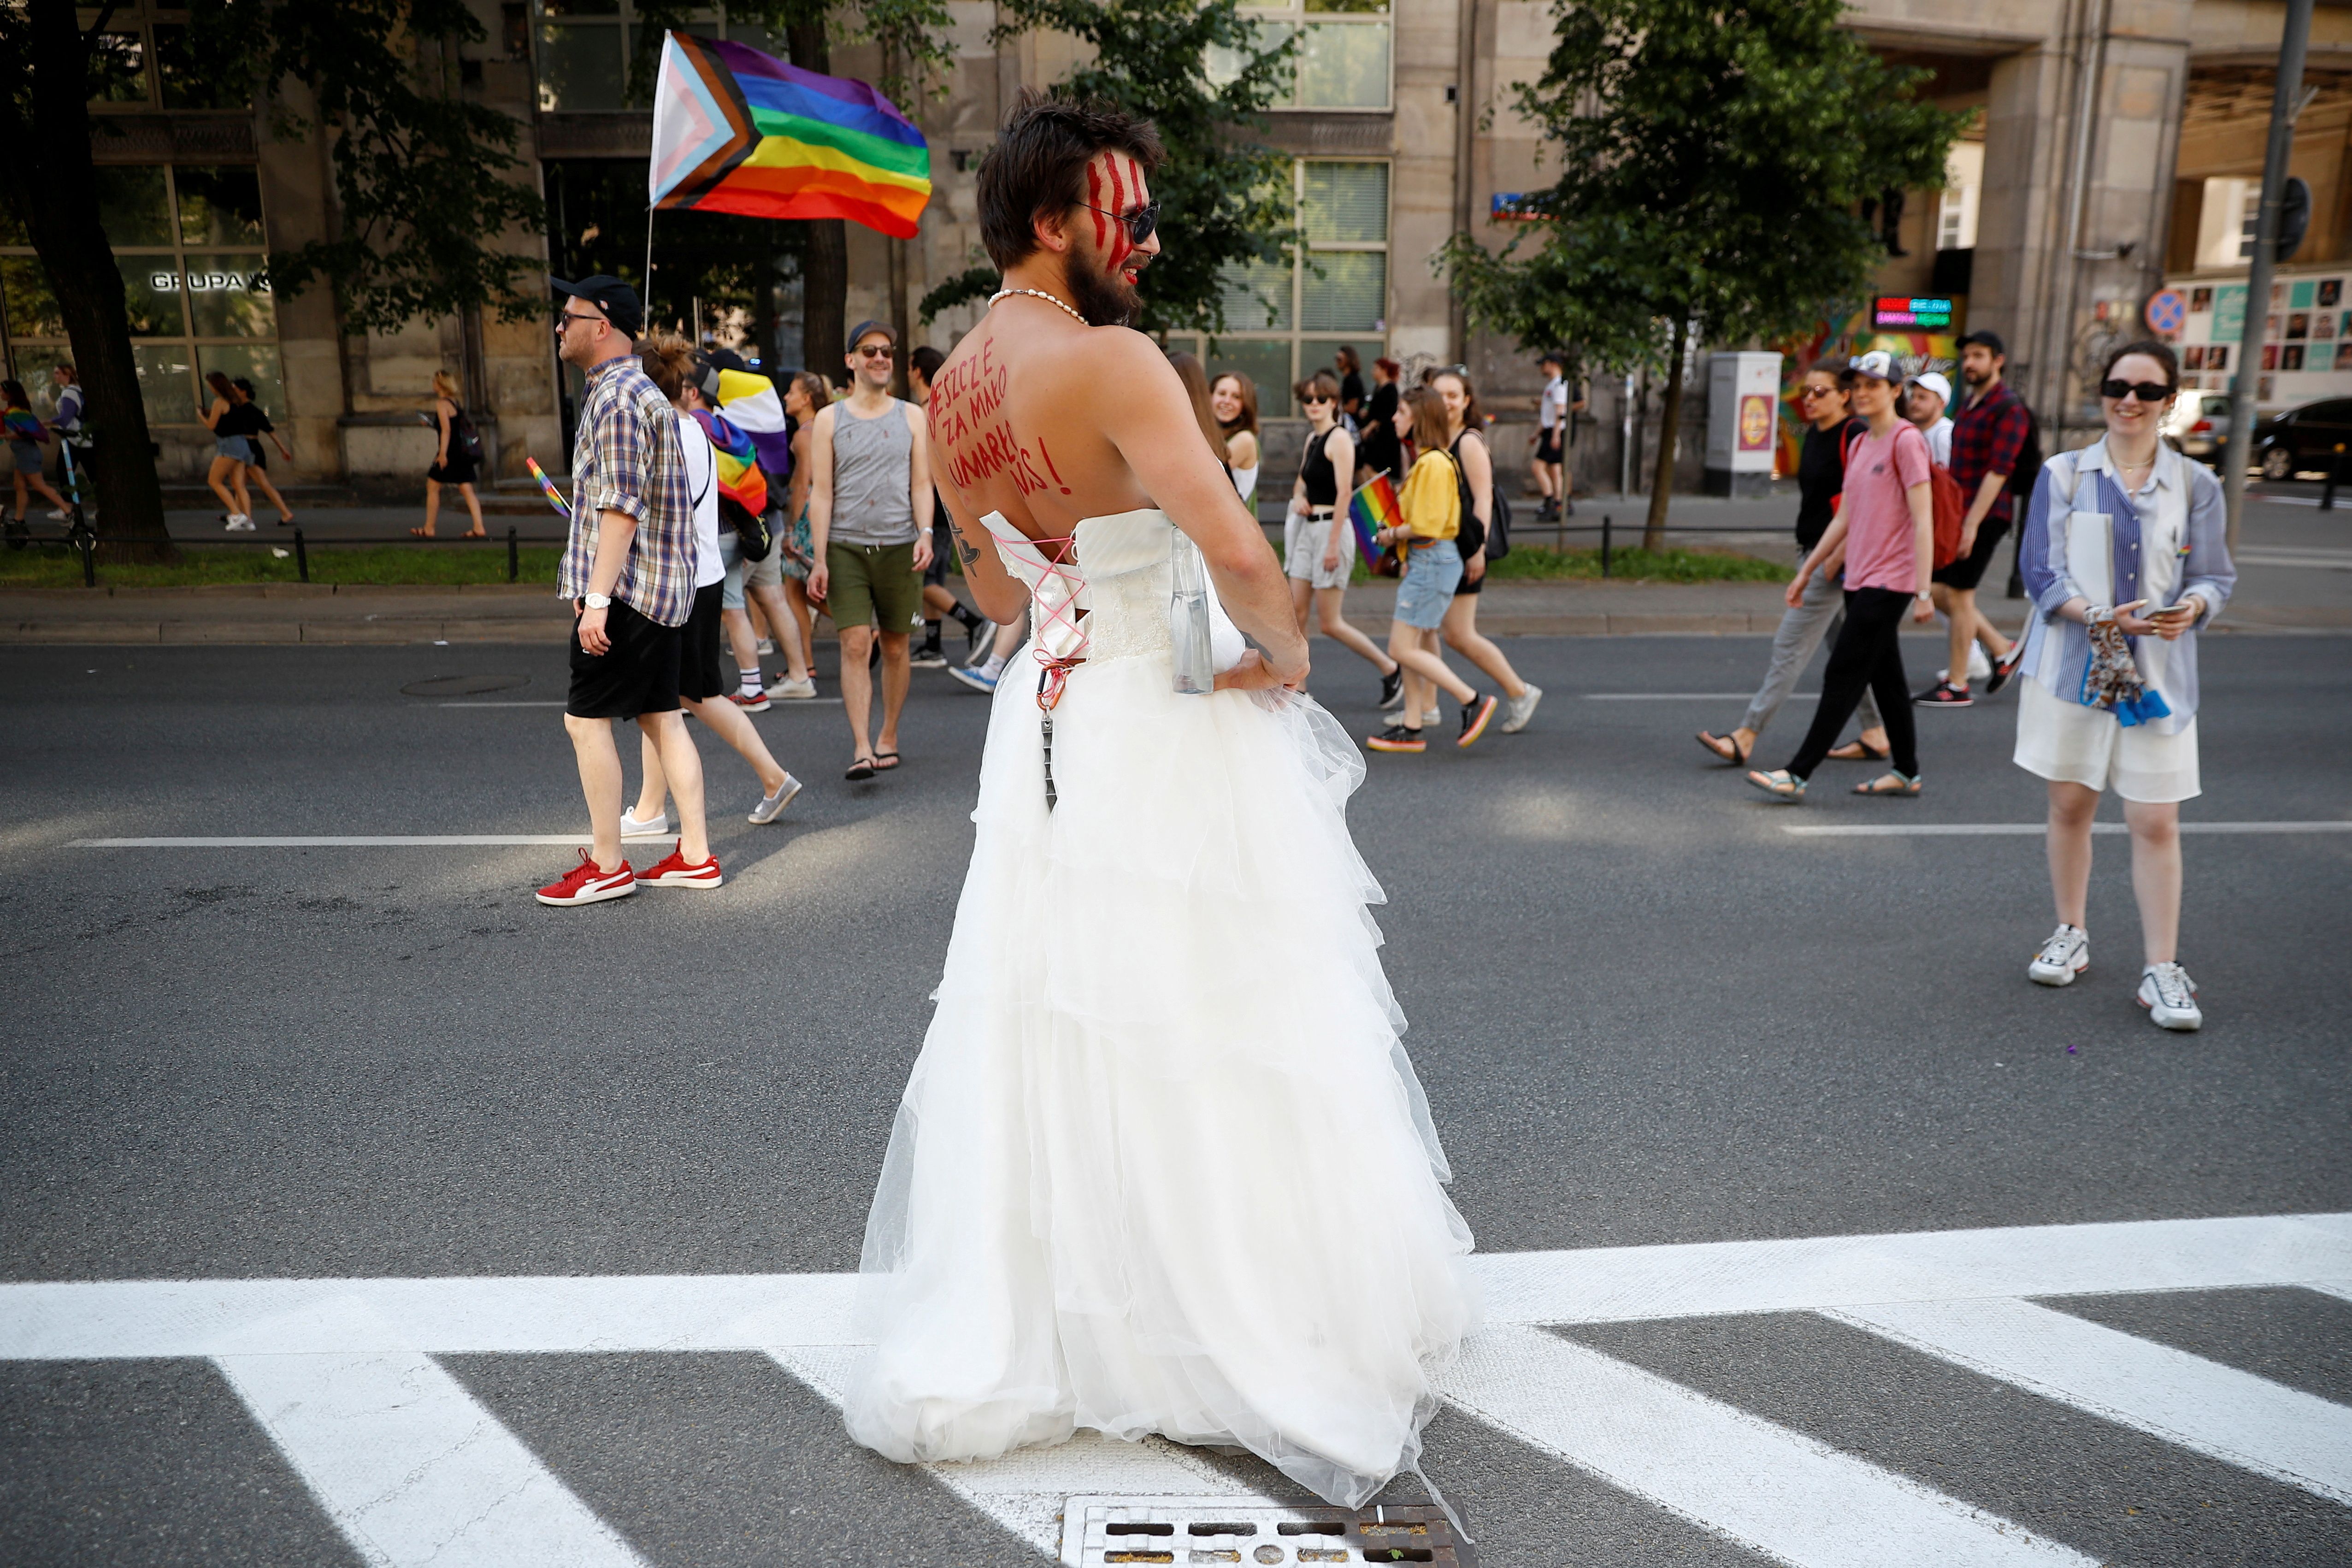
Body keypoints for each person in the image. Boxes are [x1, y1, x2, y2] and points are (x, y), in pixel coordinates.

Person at [844, 90, 1476, 1528]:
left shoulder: (950, 392)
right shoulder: (1114, 355)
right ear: (1062, 220)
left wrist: (1081, 589)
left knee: (1057, 1010)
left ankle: (1077, 1320)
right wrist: (1297, 649)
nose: (1149, 234)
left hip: (1049, 718)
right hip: (1167, 704)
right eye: (1129, 210)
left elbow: (998, 597)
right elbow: (1234, 539)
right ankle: (1227, 1318)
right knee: (1214, 1004)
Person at [2014, 340, 2234, 1031]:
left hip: (2157, 678)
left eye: (2146, 389)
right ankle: (2068, 929)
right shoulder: (2063, 474)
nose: (2128, 399)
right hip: (2073, 667)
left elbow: (2214, 577)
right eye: (2117, 385)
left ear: (2169, 401)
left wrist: (2191, 609)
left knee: (2154, 819)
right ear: (2101, 392)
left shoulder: (2197, 485)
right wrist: (2103, 617)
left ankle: (2161, 969)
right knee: (2070, 805)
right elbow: (2041, 574)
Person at [535, 273, 721, 907]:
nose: (560, 327)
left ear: (603, 324)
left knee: (585, 723)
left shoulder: (614, 397)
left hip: (628, 594)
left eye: (569, 316)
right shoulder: (638, 391)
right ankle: (694, 855)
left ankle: (609, 864)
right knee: (662, 717)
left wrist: (595, 599)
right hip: (662, 588)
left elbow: (619, 509)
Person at [618, 333, 804, 833]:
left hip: (670, 584)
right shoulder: (694, 427)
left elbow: (644, 516)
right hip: (702, 575)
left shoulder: (655, 433)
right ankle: (654, 806)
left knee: (674, 698)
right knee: (682, 695)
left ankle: (762, 779)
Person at [1746, 349, 1933, 802]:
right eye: (1859, 385)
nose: (1864, 393)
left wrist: (1924, 592)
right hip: (1860, 577)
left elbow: (1923, 520)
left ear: (1895, 391)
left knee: (1843, 673)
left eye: (1874, 385)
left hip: (1891, 582)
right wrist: (1806, 572)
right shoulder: (1859, 443)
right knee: (1888, 679)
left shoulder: (1906, 441)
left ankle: (1797, 773)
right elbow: (1843, 520)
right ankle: (1907, 772)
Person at [1697, 360, 1891, 767]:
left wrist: (1834, 556)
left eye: (1820, 392)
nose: (1809, 399)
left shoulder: (1854, 434)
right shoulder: (1816, 435)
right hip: (1815, 553)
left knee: (1789, 645)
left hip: (1836, 560)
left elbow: (1865, 503)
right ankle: (1876, 732)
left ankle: (1746, 735)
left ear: (1843, 397)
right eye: (1806, 392)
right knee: (1846, 647)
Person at [807, 319, 934, 779]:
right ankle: (862, 746)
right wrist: (819, 558)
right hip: (845, 547)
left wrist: (926, 533)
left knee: (897, 647)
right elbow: (821, 494)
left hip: (902, 544)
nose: (880, 358)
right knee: (856, 643)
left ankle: (889, 734)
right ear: (851, 361)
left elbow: (922, 483)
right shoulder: (829, 419)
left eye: (887, 351)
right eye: (869, 351)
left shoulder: (911, 416)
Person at [1365, 387, 1501, 753]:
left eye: (1401, 411)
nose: (1394, 418)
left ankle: (1471, 700)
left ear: (1418, 418)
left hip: (1432, 560)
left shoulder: (1432, 463)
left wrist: (1389, 537)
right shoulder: (1431, 459)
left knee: (1400, 647)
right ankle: (1412, 725)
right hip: (1428, 561)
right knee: (1410, 646)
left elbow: (1426, 523)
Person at [685, 365, 816, 709]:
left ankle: (751, 688)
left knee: (731, 611)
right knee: (774, 600)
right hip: (761, 529)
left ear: (693, 391)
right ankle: (800, 676)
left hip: (723, 535)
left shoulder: (691, 428)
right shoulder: (729, 427)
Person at [1919, 330, 2030, 709]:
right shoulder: (1971, 405)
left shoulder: (2007, 407)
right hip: (1961, 513)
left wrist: (1970, 525)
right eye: (1966, 356)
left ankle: (1958, 683)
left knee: (1959, 595)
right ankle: (2003, 649)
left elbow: (1999, 471)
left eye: (1978, 356)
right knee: (1939, 592)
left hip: (1986, 514)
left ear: (1997, 360)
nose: (1970, 363)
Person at [1429, 368, 1540, 733]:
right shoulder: (1438, 441)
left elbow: (1483, 500)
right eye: (1439, 394)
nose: (1446, 401)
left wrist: (1476, 551)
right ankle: (1423, 707)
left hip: (1465, 549)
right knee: (1428, 630)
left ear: (1466, 401)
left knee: (1458, 634)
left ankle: (1519, 690)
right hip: (1444, 549)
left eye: (1453, 395)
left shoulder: (1468, 442)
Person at [1287, 371, 1402, 704]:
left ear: (1333, 403)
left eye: (1320, 399)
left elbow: (1344, 495)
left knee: (1330, 622)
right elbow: (1300, 483)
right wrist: (1298, 498)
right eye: (1307, 399)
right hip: (1308, 530)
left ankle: (1390, 668)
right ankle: (1300, 689)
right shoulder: (1312, 440)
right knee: (1296, 614)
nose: (1314, 405)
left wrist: (1334, 543)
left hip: (1330, 530)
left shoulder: (1340, 439)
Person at [908, 343, 990, 669]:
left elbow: (927, 466)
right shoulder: (945, 406)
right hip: (943, 502)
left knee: (924, 580)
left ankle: (972, 621)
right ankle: (932, 644)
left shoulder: (927, 411)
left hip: (932, 504)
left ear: (917, 371)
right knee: (933, 579)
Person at [775, 371, 829, 685]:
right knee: (796, 591)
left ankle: (864, 629)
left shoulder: (804, 435)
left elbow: (802, 483)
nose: (786, 397)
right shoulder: (820, 428)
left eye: (792, 392)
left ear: (806, 399)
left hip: (808, 515)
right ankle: (804, 663)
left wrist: (792, 528)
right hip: (819, 512)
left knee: (799, 591)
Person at [414, 370, 485, 539]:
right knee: (467, 489)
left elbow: (446, 430)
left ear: (440, 385)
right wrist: (432, 425)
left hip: (451, 453)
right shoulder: (454, 402)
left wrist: (443, 455)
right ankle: (479, 526)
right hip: (461, 453)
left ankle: (429, 528)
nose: (432, 384)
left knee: (433, 486)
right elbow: (450, 428)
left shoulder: (441, 404)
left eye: (434, 382)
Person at [2, 380, 68, 539]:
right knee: (19, 486)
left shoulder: (16, 412)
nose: (0, 394)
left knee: (39, 485)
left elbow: (26, 433)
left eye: (2, 391)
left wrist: (6, 436)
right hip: (22, 455)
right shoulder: (15, 410)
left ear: (10, 393)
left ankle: (68, 511)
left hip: (27, 454)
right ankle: (19, 518)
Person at [228, 378, 296, 527]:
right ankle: (236, 514)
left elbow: (270, 432)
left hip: (250, 450)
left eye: (235, 389)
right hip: (248, 449)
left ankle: (285, 513)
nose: (232, 392)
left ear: (243, 391)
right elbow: (270, 432)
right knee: (240, 484)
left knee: (261, 484)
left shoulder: (251, 411)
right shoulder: (240, 409)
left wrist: (283, 450)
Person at [198, 370, 255, 531]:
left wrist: (201, 415)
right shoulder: (236, 401)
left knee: (214, 481)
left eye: (210, 385)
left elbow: (211, 426)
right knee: (239, 485)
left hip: (228, 445)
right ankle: (248, 521)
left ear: (216, 386)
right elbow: (228, 419)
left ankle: (237, 514)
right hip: (242, 443)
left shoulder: (220, 402)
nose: (209, 388)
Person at [1209, 370, 1259, 514]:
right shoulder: (1215, 437)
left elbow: (1204, 475)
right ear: (1210, 396)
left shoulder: (1245, 439)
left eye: (1236, 397)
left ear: (1246, 404)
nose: (1227, 401)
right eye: (1222, 394)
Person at [1356, 355, 1402, 487]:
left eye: (1376, 369)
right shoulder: (1378, 388)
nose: (1373, 371)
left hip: (1385, 437)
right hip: (1376, 437)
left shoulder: (1390, 389)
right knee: (1369, 468)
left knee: (1375, 470)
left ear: (1384, 370)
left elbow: (1386, 413)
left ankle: (1386, 496)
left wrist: (1370, 427)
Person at [1532, 351, 1566, 521]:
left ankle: (1550, 501)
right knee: (1555, 470)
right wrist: (1537, 433)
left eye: (1544, 364)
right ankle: (1558, 504)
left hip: (1554, 431)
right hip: (1550, 430)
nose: (1542, 368)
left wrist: (1556, 436)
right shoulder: (1553, 385)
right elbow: (1547, 415)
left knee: (1537, 467)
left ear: (1553, 364)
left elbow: (1560, 412)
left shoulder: (1559, 385)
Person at [1906, 370, 1954, 466]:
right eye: (1913, 397)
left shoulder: (1945, 434)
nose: (1915, 402)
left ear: (1941, 403)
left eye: (1922, 397)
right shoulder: (1916, 431)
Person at [1333, 343, 1366, 425]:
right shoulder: (1348, 379)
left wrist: (1337, 409)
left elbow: (1352, 408)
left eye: (1340, 359)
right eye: (1336, 359)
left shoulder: (1352, 380)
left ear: (1348, 360)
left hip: (1353, 424)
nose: (1337, 362)